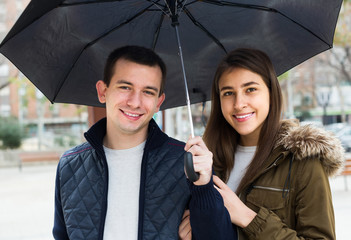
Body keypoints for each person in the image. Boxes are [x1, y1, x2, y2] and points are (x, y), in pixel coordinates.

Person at [179, 48, 344, 240]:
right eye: (228, 93)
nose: (239, 103)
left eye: (250, 89)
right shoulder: (207, 162)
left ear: (271, 93)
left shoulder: (302, 161)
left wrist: (249, 218)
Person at [53, 45, 190, 240]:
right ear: (103, 91)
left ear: (159, 102)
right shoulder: (69, 165)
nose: (135, 102)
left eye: (148, 92)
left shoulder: (186, 162)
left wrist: (204, 211)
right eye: (125, 87)